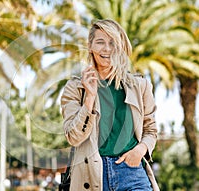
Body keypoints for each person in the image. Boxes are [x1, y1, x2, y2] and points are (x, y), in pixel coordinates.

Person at [61, 19, 159, 191]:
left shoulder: (140, 86)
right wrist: (89, 97)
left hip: (132, 171)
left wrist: (140, 151)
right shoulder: (75, 88)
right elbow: (73, 136)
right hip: (91, 174)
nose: (107, 49)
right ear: (90, 46)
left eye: (113, 43)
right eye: (100, 42)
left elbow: (151, 130)